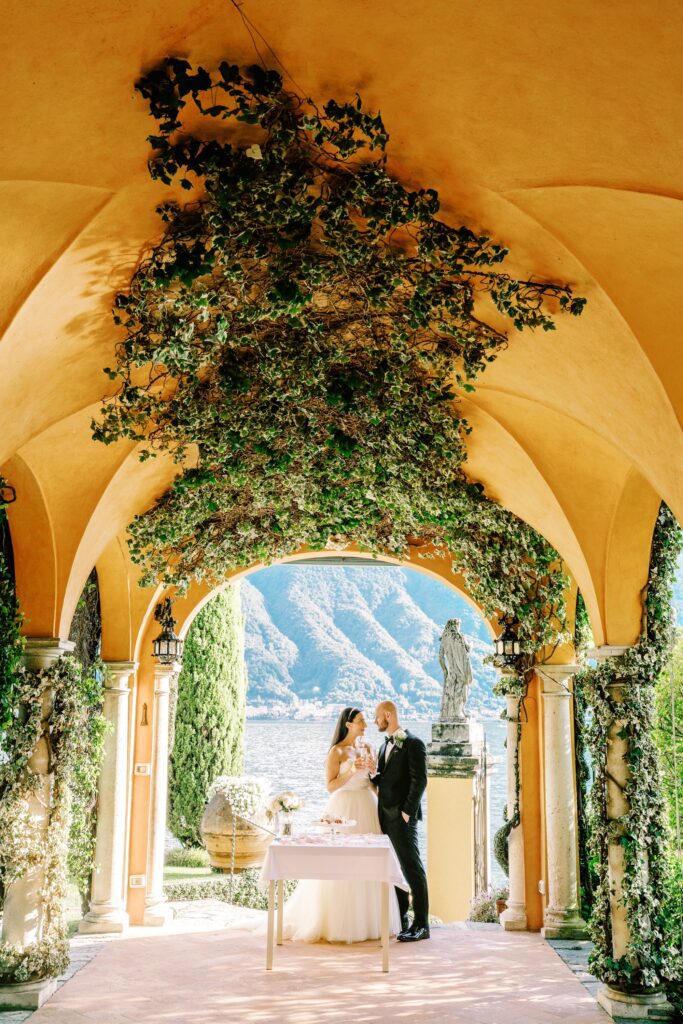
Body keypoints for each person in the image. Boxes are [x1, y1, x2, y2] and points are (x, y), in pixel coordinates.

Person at [282, 706, 401, 943]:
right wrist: (351, 772)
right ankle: (337, 923)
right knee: (339, 862)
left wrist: (373, 775)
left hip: (367, 807)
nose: (365, 725)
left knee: (370, 863)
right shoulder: (336, 752)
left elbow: (371, 781)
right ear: (348, 724)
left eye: (366, 721)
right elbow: (331, 786)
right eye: (361, 721)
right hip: (343, 808)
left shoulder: (367, 748)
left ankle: (372, 922)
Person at [372, 700, 430, 941]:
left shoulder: (414, 744)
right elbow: (384, 781)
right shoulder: (384, 745)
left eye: (377, 717)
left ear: (388, 714)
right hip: (385, 818)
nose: (375, 721)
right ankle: (403, 920)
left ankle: (421, 925)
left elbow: (420, 781)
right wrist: (370, 776)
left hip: (402, 819)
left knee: (412, 869)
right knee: (396, 871)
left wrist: (406, 812)